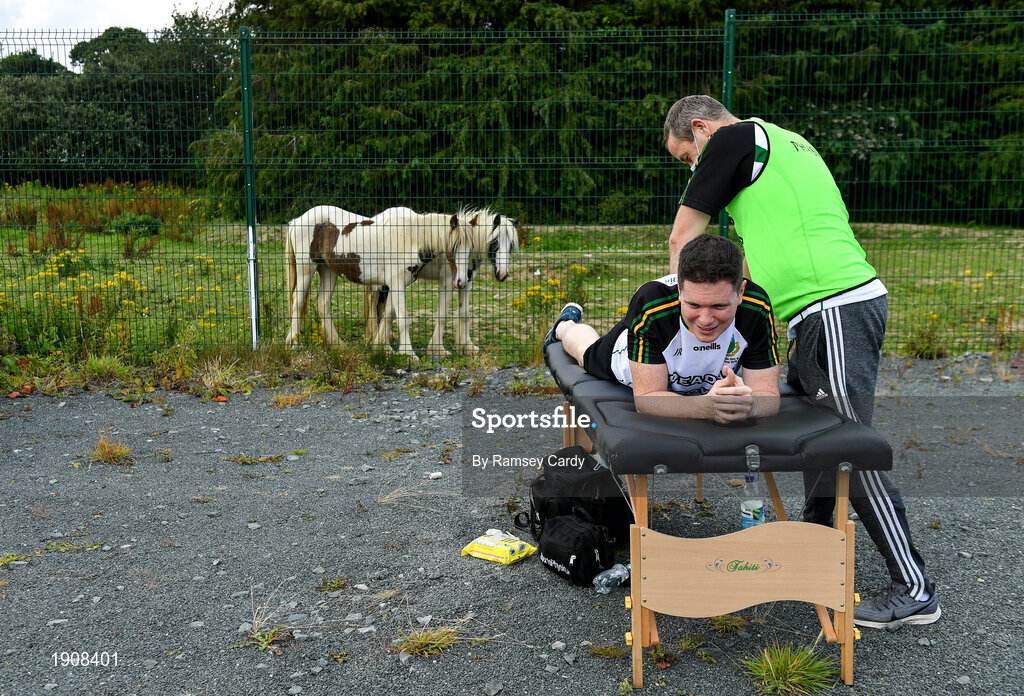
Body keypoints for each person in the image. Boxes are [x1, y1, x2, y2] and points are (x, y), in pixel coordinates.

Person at [663, 94, 940, 629]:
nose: (693, 168)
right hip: (823, 310)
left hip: (832, 305)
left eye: (685, 158)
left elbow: (683, 237)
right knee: (816, 432)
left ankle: (914, 587)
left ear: (699, 129)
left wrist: (681, 311)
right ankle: (812, 544)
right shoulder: (786, 140)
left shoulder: (731, 139)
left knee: (848, 444)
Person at [544, 234, 780, 423]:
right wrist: (708, 407)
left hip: (696, 379)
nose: (706, 319)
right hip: (633, 364)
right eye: (694, 305)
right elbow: (646, 399)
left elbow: (768, 397)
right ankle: (565, 325)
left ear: (740, 293)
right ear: (679, 290)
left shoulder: (756, 306)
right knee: (586, 353)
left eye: (719, 306)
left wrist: (750, 405)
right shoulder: (652, 304)